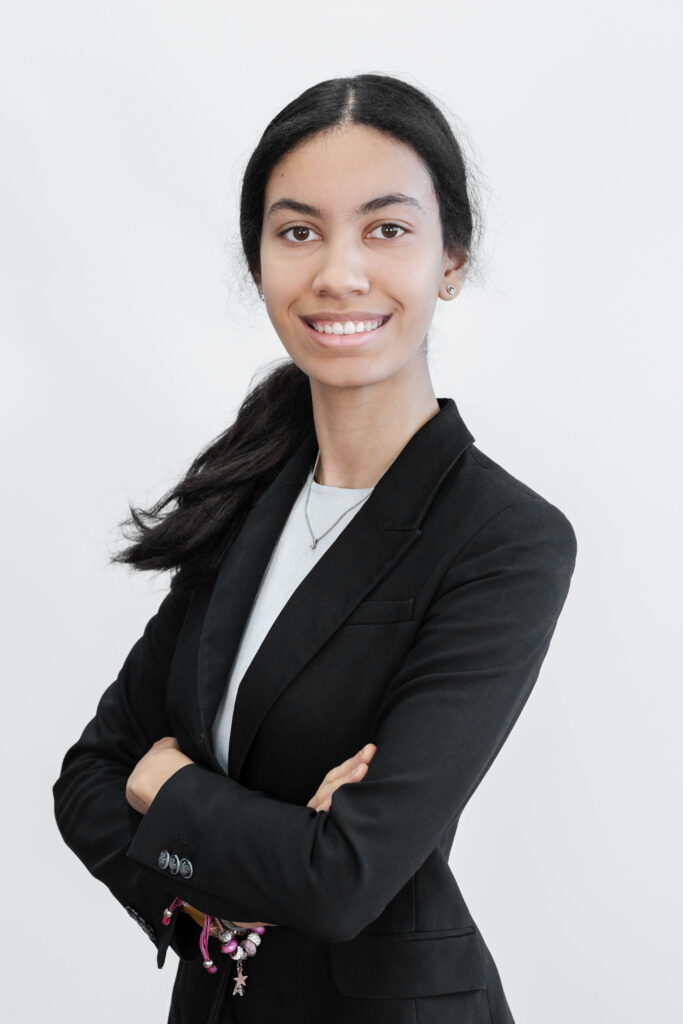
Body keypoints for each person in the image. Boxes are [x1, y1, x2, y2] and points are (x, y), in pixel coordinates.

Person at [53, 73, 577, 1024]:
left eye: (387, 229)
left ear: (451, 259)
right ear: (258, 262)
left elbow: (344, 881)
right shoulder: (243, 495)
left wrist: (168, 786)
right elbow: (88, 778)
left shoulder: (504, 539)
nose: (338, 273)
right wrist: (244, 875)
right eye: (298, 231)